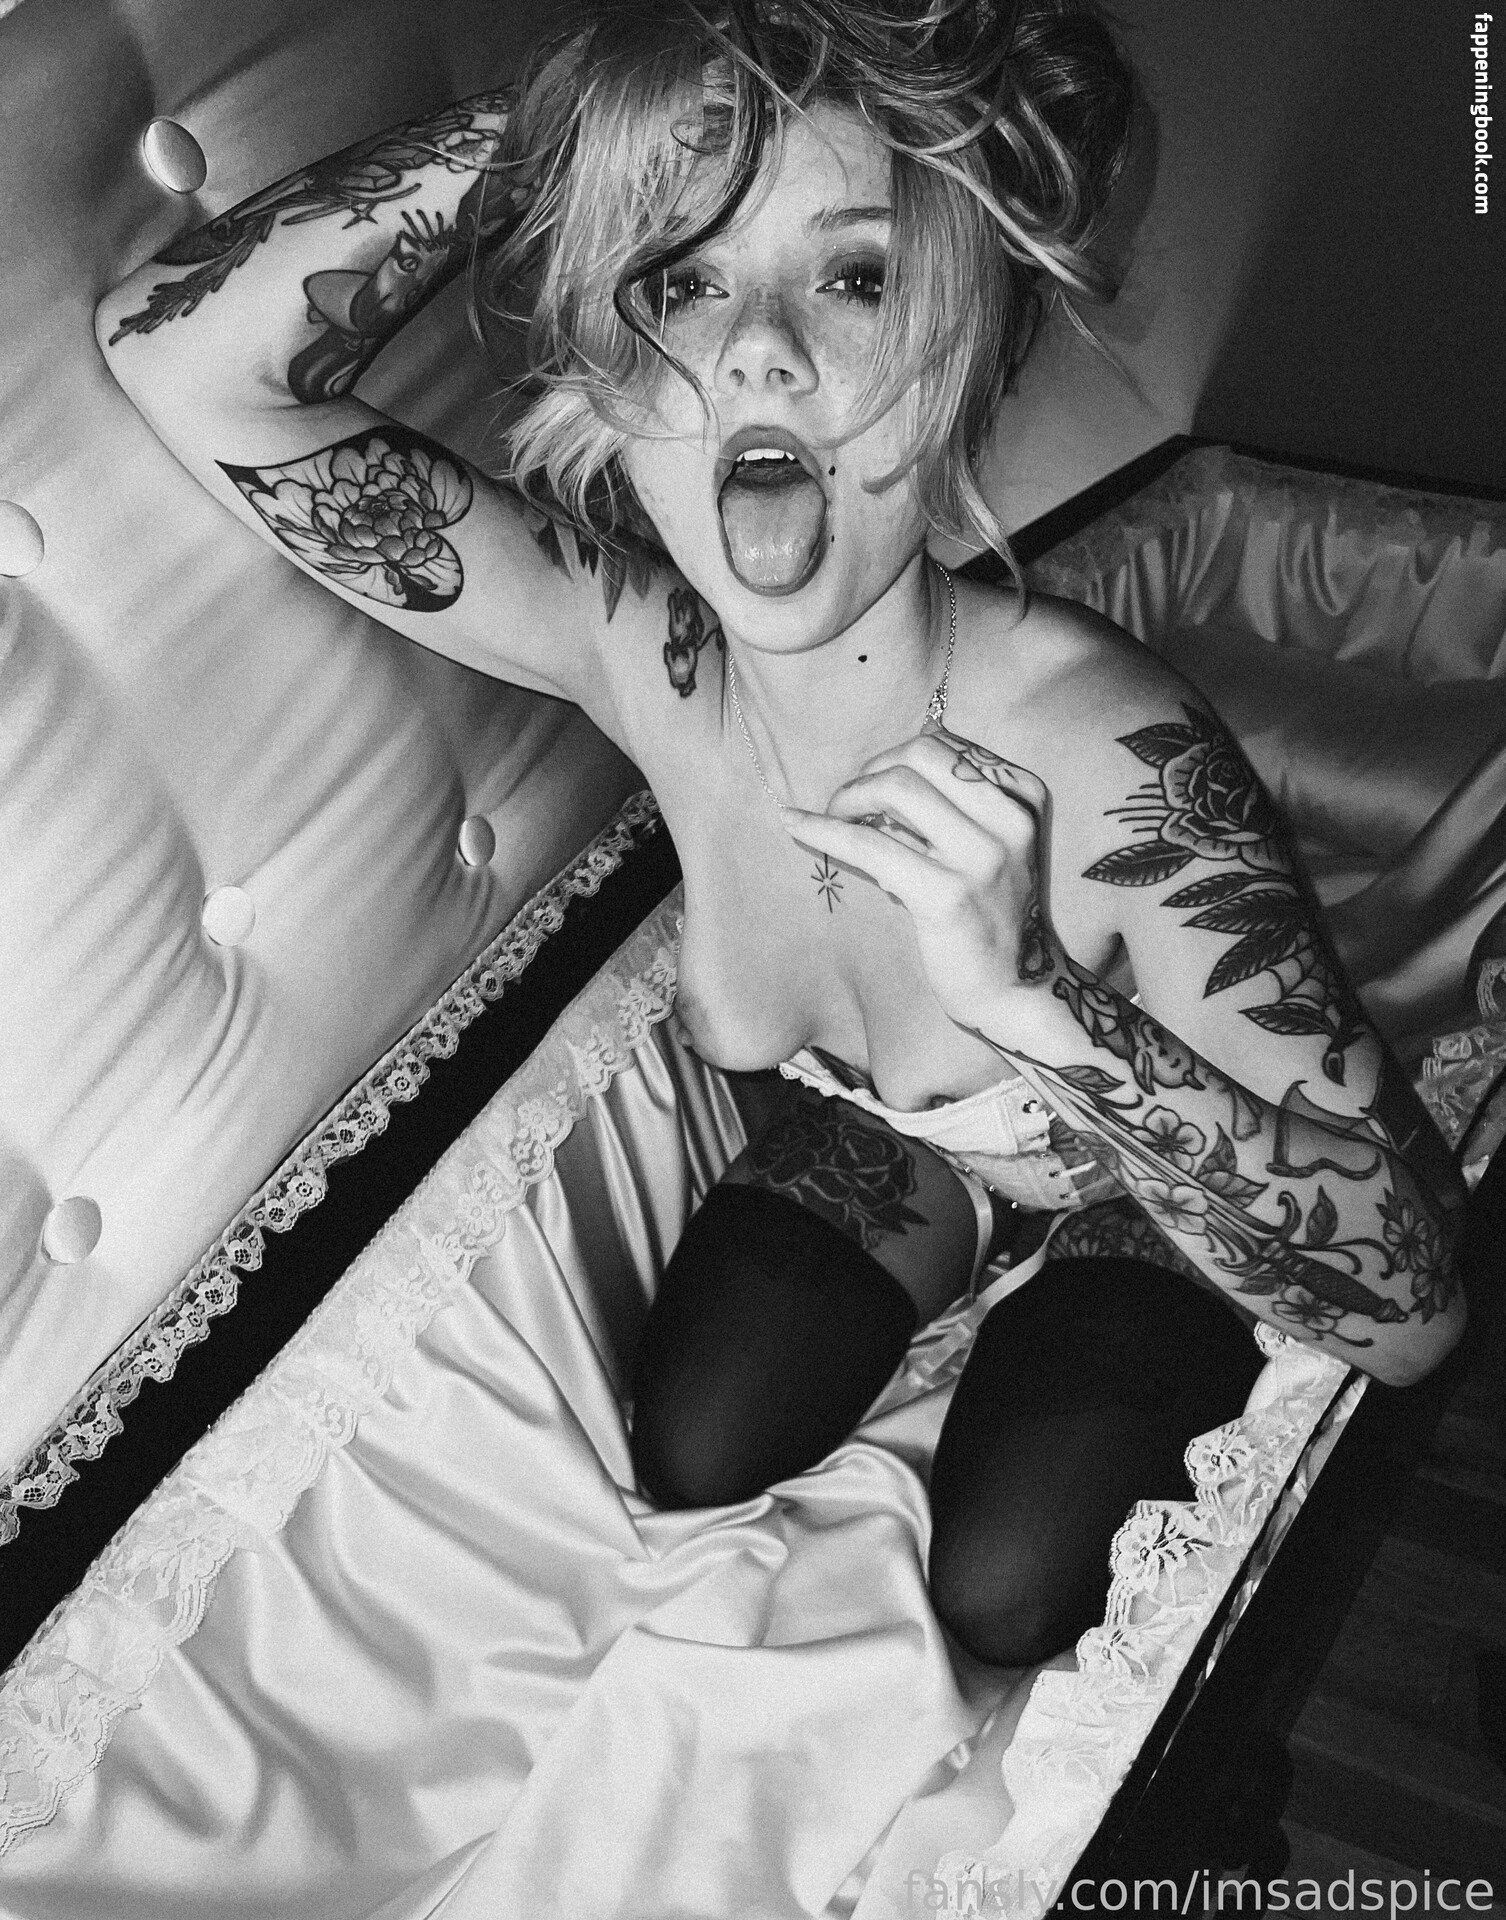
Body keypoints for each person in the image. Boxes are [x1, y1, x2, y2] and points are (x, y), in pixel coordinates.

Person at [95, 0, 1466, 1668]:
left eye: (855, 275)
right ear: (612, 381)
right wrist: (581, 118)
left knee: (1007, 1585)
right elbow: (185, 362)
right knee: (694, 1443)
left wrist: (1044, 1007)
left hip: (1134, 1170)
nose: (755, 347)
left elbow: (1412, 1313)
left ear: (962, 346)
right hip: (905, 1156)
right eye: (681, 279)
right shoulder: (647, 658)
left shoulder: (1115, 763)